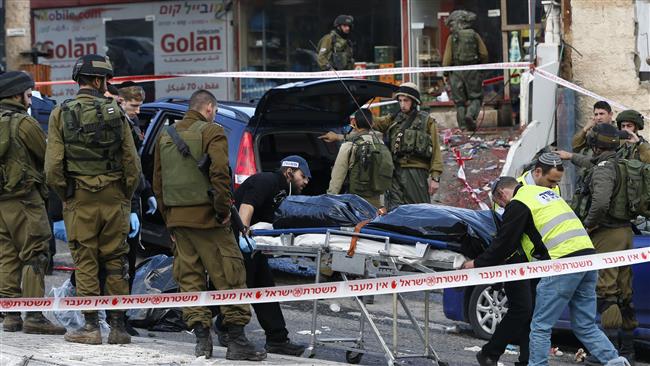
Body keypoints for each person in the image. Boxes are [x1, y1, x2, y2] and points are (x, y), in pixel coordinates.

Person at [463, 177, 629, 366]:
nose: (503, 208)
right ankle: (616, 362)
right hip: (588, 259)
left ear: (501, 194)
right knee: (585, 325)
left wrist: (477, 263)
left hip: (563, 262)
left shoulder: (518, 203)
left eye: (499, 204)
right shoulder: (545, 194)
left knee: (540, 326)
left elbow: (505, 243)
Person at [153, 89, 266, 361]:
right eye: (213, 111)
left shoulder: (165, 136)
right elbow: (219, 173)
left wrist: (170, 221)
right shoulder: (212, 132)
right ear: (209, 109)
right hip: (208, 221)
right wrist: (222, 211)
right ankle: (236, 341)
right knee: (229, 274)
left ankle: (202, 342)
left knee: (189, 279)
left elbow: (158, 182)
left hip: (178, 221)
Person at [45, 54, 141, 345]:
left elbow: (52, 169)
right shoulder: (116, 111)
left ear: (79, 80)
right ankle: (118, 328)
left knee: (86, 260)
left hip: (80, 199)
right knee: (115, 261)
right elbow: (132, 164)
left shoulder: (61, 113)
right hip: (115, 198)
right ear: (99, 81)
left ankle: (90, 328)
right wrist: (124, 194)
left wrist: (68, 195)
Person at [213, 155, 309, 356]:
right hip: (238, 239)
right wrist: (243, 235)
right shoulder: (267, 181)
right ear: (289, 172)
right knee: (242, 285)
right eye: (303, 176)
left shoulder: (283, 192)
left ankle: (277, 339)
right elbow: (246, 207)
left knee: (265, 288)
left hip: (253, 243)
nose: (306, 182)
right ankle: (225, 327)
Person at [558, 123, 637, 363]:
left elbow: (601, 202)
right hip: (624, 232)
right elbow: (591, 165)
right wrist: (571, 157)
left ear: (596, 144)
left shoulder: (604, 168)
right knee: (624, 293)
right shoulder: (618, 163)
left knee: (606, 292)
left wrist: (588, 225)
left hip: (606, 234)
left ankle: (608, 353)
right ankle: (628, 352)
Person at [0, 71, 66, 335]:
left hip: (1, 204)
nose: (30, 100)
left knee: (7, 257)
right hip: (26, 201)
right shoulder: (24, 124)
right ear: (17, 94)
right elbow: (48, 157)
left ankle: (11, 316)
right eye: (28, 94)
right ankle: (35, 315)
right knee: (35, 255)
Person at [319, 83, 443, 211]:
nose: (402, 104)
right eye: (400, 100)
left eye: (406, 101)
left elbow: (436, 151)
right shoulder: (393, 119)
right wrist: (360, 114)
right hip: (394, 171)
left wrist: (435, 177)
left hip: (416, 172)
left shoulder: (427, 121)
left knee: (419, 209)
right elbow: (366, 130)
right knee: (394, 209)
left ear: (414, 101)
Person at [327, 108, 387, 208]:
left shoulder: (348, 146)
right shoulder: (380, 144)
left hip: (355, 202)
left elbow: (337, 178)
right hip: (376, 202)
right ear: (372, 124)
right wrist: (382, 205)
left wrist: (329, 201)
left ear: (354, 123)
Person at [442, 10, 488, 131]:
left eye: (451, 25)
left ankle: (463, 127)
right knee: (476, 98)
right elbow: (484, 53)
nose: (451, 28)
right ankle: (470, 116)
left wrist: (445, 73)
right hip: (473, 70)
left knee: (460, 102)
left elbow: (447, 59)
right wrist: (482, 67)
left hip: (456, 72)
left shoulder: (452, 38)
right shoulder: (474, 35)